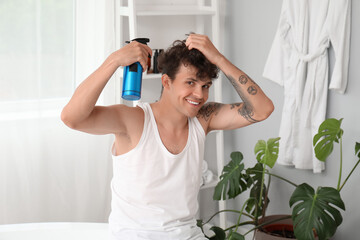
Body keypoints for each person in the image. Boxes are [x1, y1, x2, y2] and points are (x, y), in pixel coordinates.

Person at [61, 34, 274, 240]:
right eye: (190, 82)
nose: (199, 95)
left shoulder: (203, 119)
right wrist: (114, 61)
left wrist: (218, 58)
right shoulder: (134, 120)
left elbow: (262, 109)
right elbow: (72, 118)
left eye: (205, 86)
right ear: (166, 82)